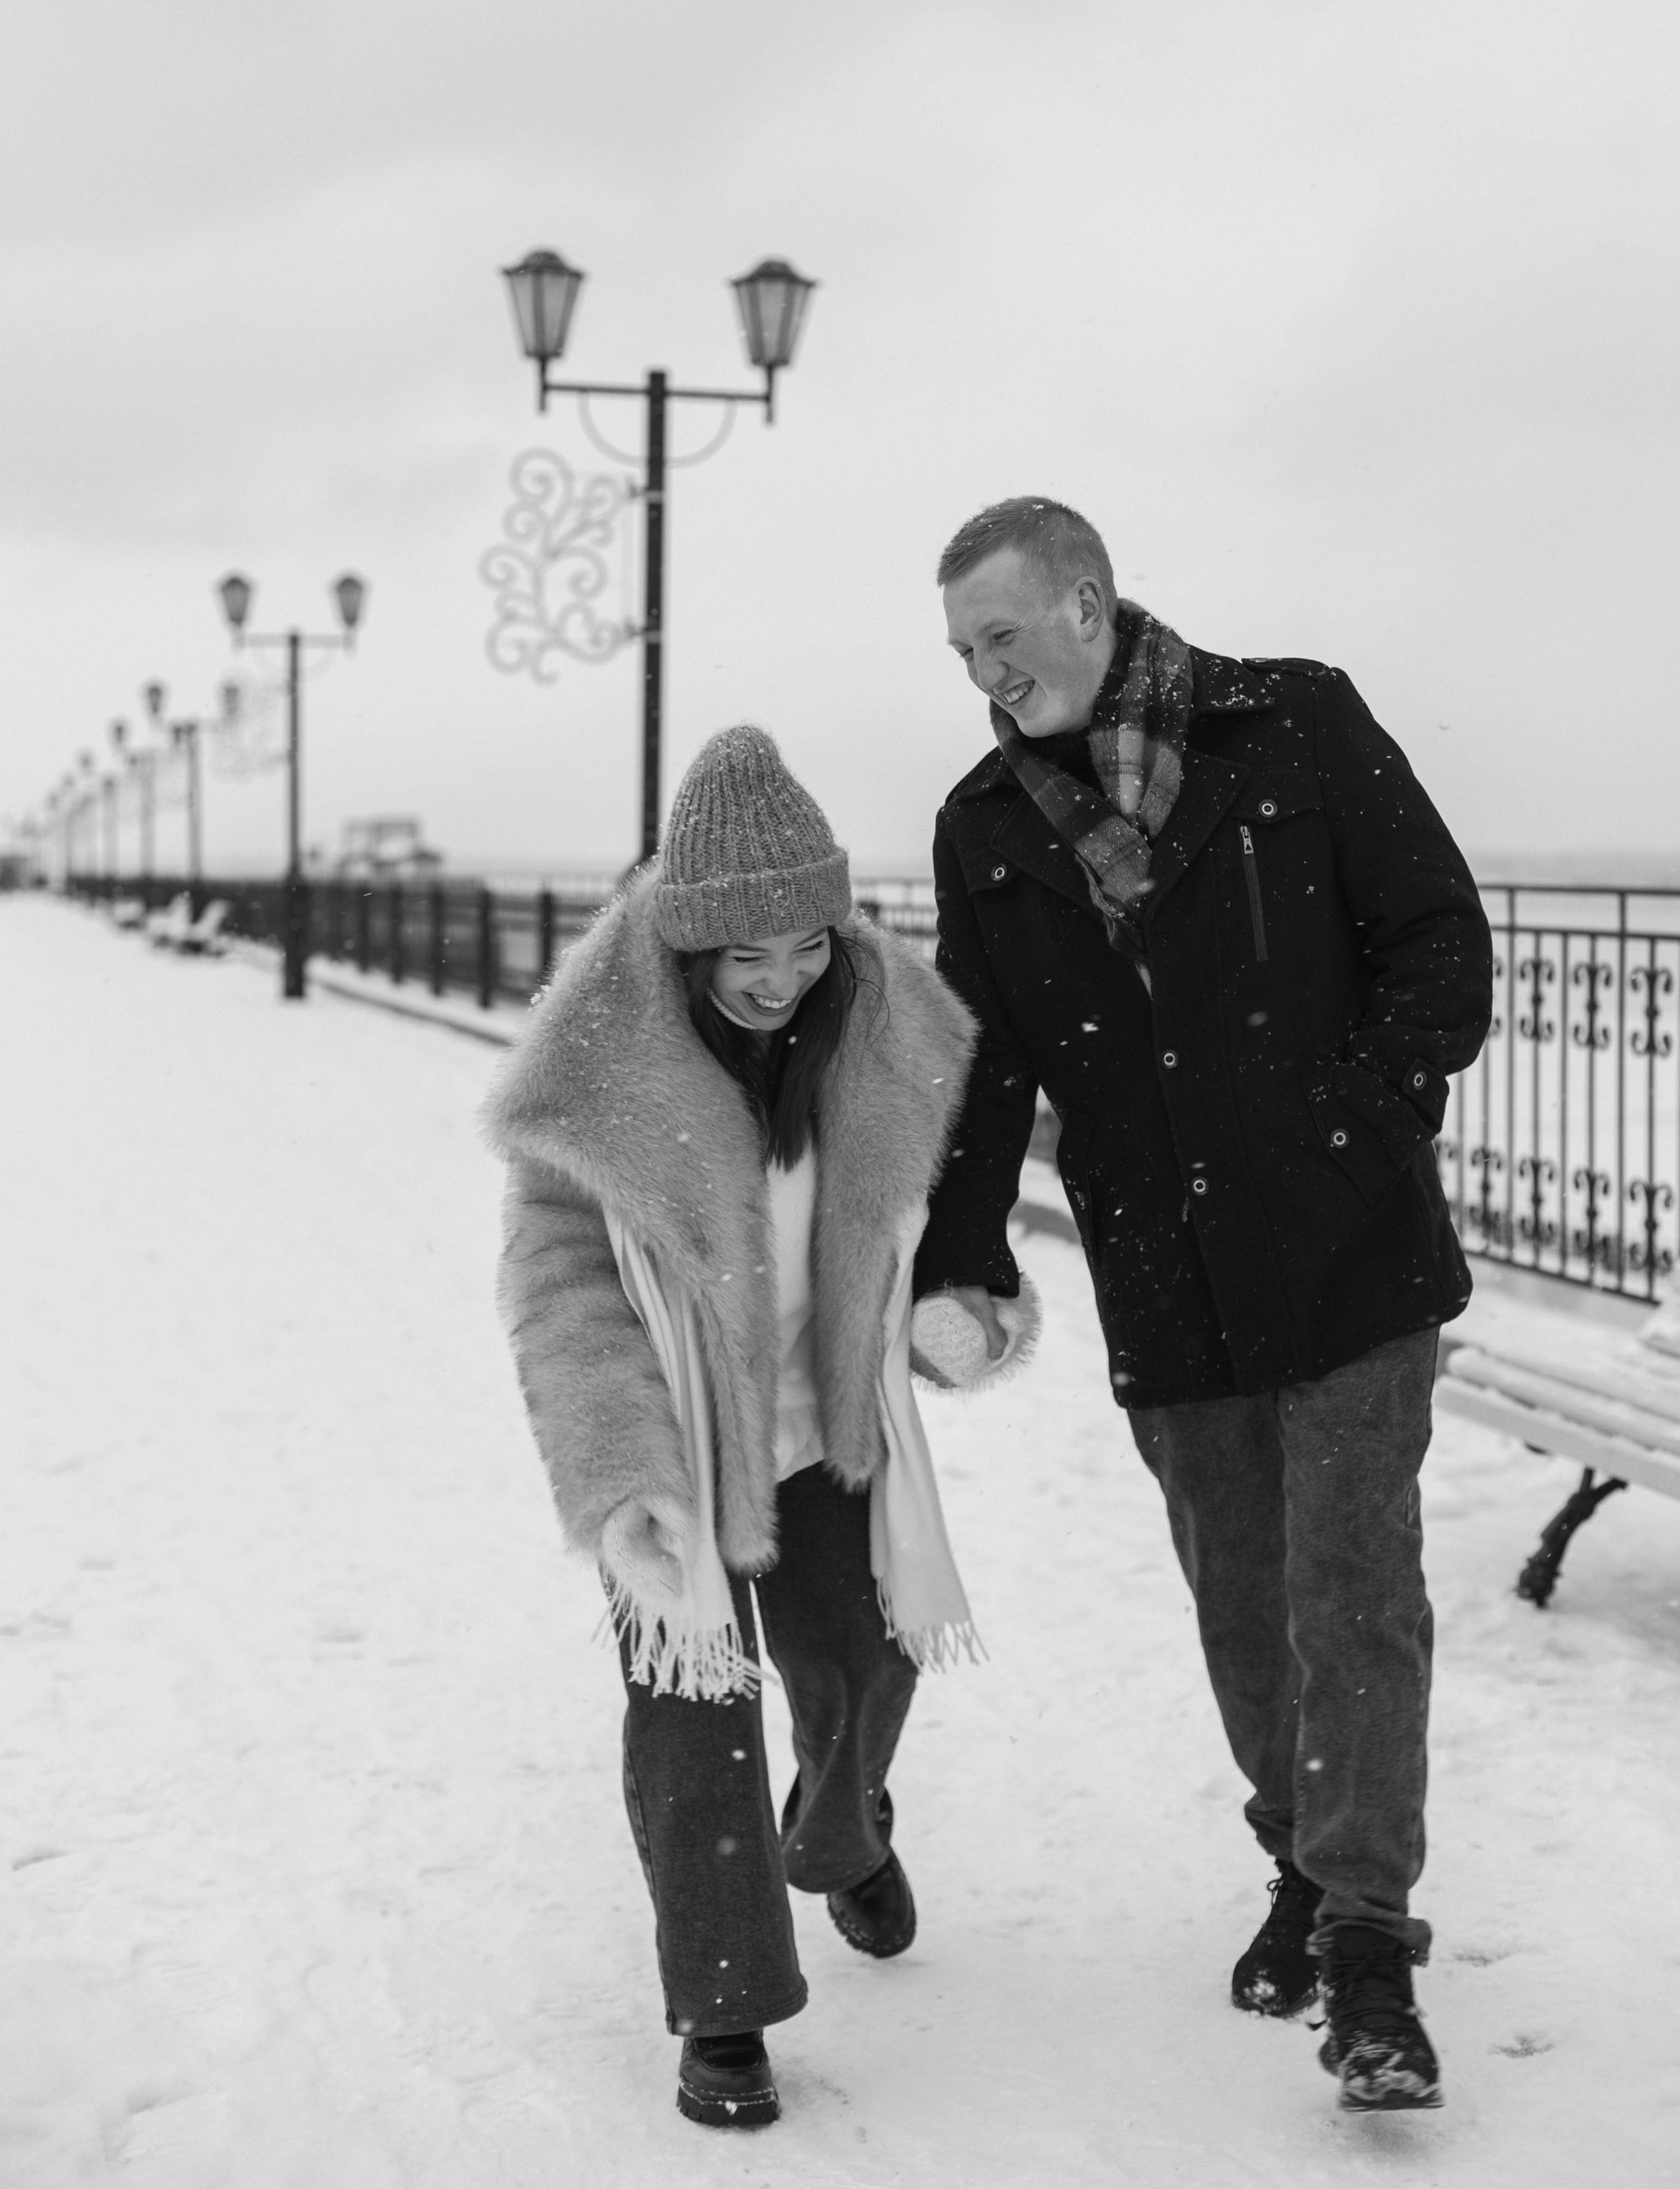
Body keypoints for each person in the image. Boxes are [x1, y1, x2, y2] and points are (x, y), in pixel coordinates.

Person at [913, 496, 1493, 2114]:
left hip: (1351, 1251)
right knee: (1238, 1596)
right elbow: (982, 1061)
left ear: (1087, 604)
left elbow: (1436, 947)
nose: (982, 671)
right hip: (1164, 1276)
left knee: (1352, 1587)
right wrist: (962, 1254)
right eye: (962, 651)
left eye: (1002, 638)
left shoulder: (1293, 722)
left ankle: (1367, 1942)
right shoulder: (986, 825)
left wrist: (1353, 1125)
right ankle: (1299, 1861)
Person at [484, 725, 1015, 2131]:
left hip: (829, 1424)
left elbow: (952, 1222)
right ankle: (724, 2008)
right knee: (691, 1718)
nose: (781, 980)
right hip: (674, 1441)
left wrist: (964, 1312)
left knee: (867, 1663)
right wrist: (619, 1476)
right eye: (744, 958)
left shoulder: (885, 1033)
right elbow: (557, 1289)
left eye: (805, 947)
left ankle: (839, 1833)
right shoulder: (599, 1078)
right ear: (685, 954)